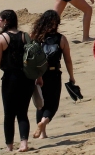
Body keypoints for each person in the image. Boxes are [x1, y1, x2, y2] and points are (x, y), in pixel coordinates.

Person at [0, 10, 34, 151]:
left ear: (6, 21)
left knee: (9, 114)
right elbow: (33, 58)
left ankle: (10, 146)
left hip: (11, 79)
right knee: (22, 112)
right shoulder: (26, 36)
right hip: (27, 78)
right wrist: (39, 77)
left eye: (1, 20)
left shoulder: (2, 38)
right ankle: (24, 143)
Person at [30, 10, 75, 140]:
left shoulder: (34, 37)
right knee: (53, 104)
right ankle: (44, 122)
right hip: (54, 73)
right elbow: (68, 60)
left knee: (40, 103)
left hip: (38, 74)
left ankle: (42, 134)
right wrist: (71, 76)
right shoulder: (61, 39)